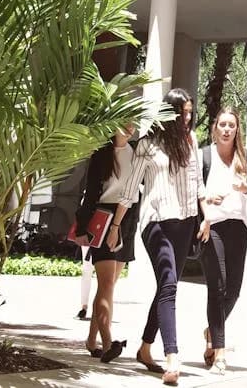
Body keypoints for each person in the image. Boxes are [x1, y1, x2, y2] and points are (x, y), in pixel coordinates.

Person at [112, 88, 207, 387]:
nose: (188, 118)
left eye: (191, 113)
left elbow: (197, 185)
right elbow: (130, 189)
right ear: (170, 113)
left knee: (168, 286)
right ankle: (172, 357)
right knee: (168, 285)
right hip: (155, 223)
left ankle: (144, 348)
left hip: (185, 223)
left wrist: (206, 219)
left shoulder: (191, 143)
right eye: (184, 113)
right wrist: (115, 226)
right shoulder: (148, 145)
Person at [196, 107, 247, 376]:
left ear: (237, 129)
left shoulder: (244, 156)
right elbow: (194, 188)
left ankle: (211, 329)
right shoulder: (204, 156)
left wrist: (246, 188)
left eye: (231, 125)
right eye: (223, 124)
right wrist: (208, 199)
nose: (227, 129)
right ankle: (219, 351)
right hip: (213, 226)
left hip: (238, 228)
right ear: (215, 128)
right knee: (217, 287)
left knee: (234, 290)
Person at [71, 125, 137, 363]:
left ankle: (91, 340)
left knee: (108, 286)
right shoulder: (101, 153)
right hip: (104, 217)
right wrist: (81, 228)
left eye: (134, 124)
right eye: (126, 123)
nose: (131, 129)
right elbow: (90, 193)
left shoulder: (137, 151)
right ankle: (108, 342)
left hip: (127, 218)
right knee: (106, 282)